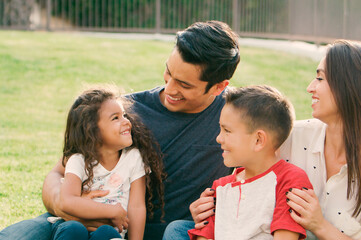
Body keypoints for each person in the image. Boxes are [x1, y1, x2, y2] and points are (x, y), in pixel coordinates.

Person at [0, 20, 240, 240]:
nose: (169, 88)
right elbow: (57, 174)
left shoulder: (237, 118)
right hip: (79, 223)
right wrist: (64, 204)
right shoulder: (124, 113)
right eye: (168, 72)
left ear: (219, 87)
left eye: (184, 84)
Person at [187, 40, 361, 240]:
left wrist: (320, 226)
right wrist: (214, 209)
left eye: (320, 78)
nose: (310, 87)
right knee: (179, 230)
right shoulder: (290, 137)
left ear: (350, 88)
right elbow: (242, 188)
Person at [187, 85, 313, 240]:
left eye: (227, 131)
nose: (218, 138)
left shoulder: (290, 180)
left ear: (258, 140)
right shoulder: (219, 187)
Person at [48, 87, 165, 240]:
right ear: (92, 130)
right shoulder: (78, 160)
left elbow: (136, 207)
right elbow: (67, 201)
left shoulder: (134, 158)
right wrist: (112, 211)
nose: (126, 122)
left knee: (107, 233)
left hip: (110, 232)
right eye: (115, 118)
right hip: (75, 228)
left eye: (124, 115)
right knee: (73, 229)